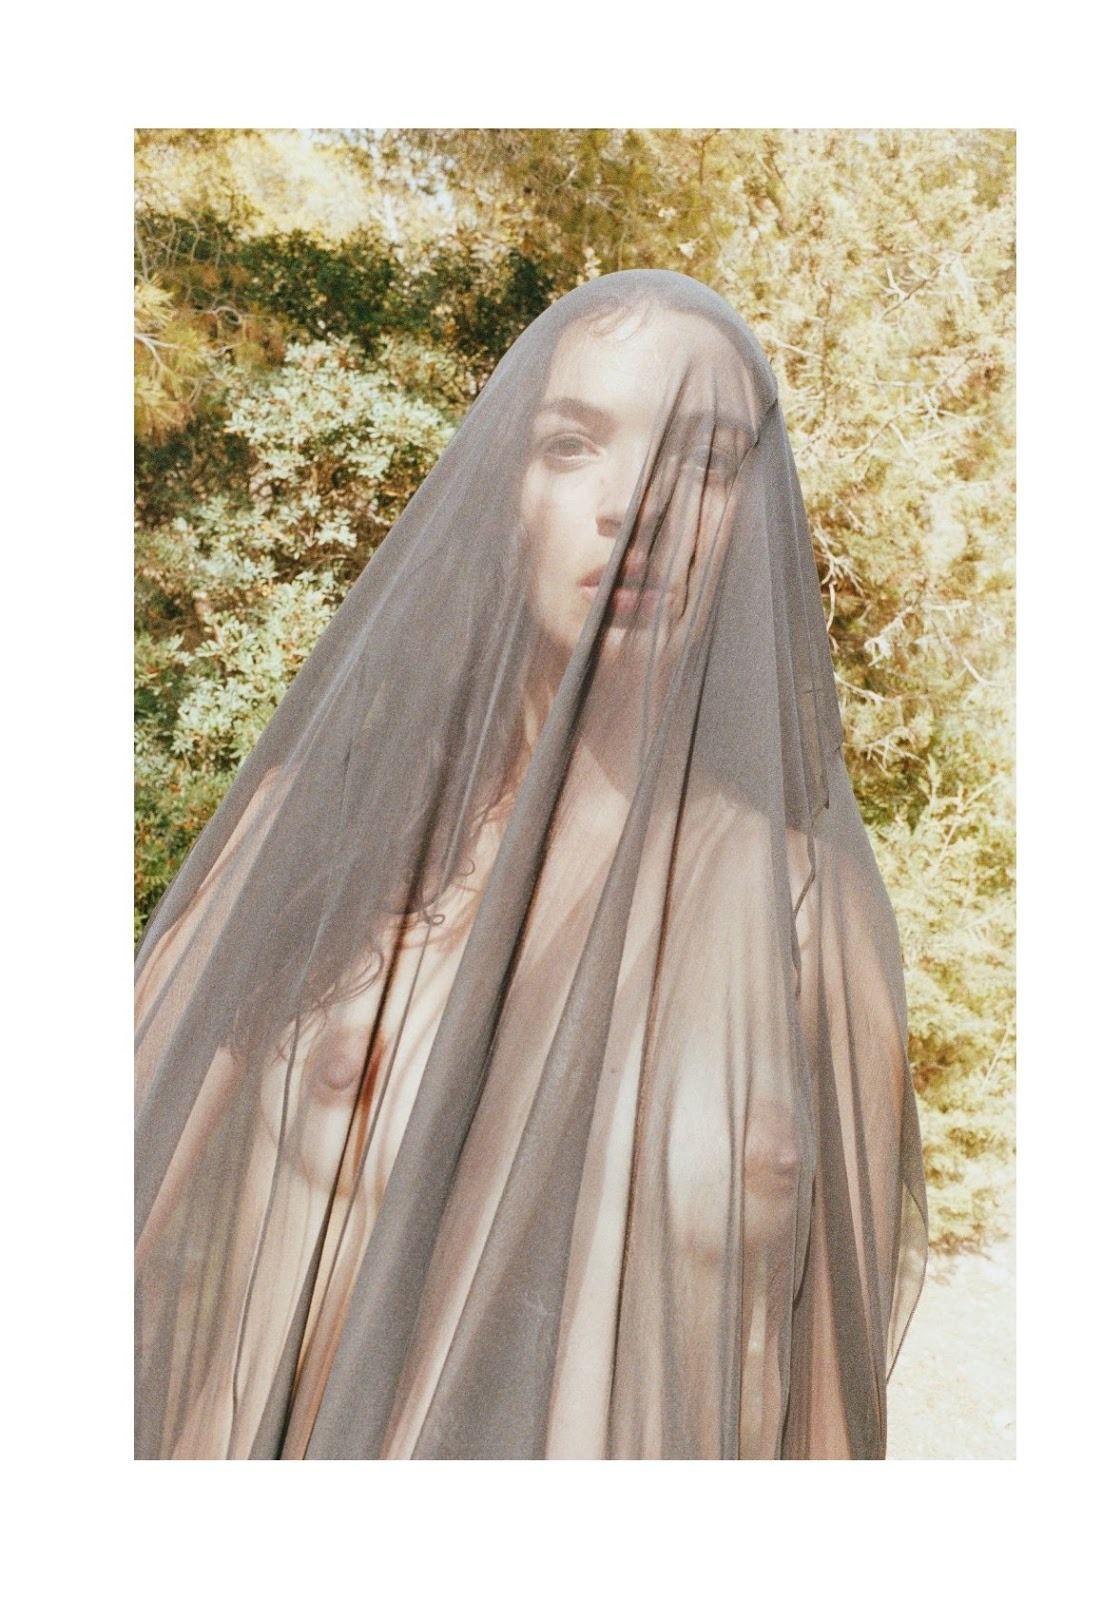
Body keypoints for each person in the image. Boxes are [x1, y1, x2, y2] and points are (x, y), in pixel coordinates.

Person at [134, 268, 928, 1459]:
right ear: (504, 489)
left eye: (704, 459)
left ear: (752, 519)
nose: (634, 505)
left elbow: (830, 1415)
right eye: (572, 443)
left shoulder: (812, 915)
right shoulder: (322, 836)